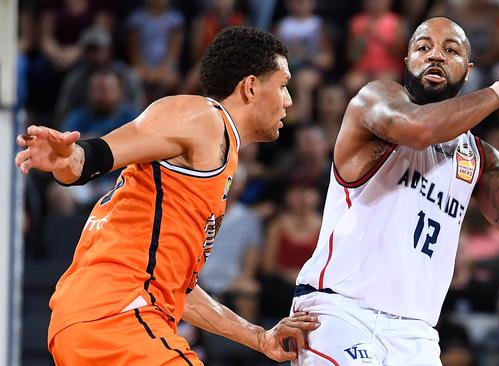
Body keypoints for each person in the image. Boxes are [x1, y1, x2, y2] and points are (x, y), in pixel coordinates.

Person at [291, 16, 499, 365]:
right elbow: (420, 128)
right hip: (340, 312)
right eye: (423, 47)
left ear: (467, 69)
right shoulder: (374, 101)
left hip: (416, 333)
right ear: (406, 61)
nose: (435, 56)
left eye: (451, 50)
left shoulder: (478, 157)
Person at [15, 26, 319, 365]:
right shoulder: (202, 118)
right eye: (282, 85)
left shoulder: (214, 162)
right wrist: (69, 159)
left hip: (94, 320)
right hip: (118, 316)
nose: (289, 100)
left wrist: (259, 338)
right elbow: (96, 156)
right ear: (250, 87)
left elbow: (180, 292)